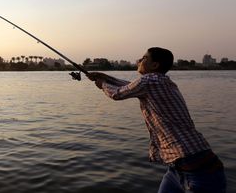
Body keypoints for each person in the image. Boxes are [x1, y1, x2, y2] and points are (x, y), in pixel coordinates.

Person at [87, 47, 226, 193]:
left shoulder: (149, 81)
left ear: (155, 65)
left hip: (200, 172)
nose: (140, 60)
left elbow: (117, 93)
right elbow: (130, 86)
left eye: (144, 58)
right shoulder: (159, 81)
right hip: (177, 170)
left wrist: (103, 84)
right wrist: (105, 77)